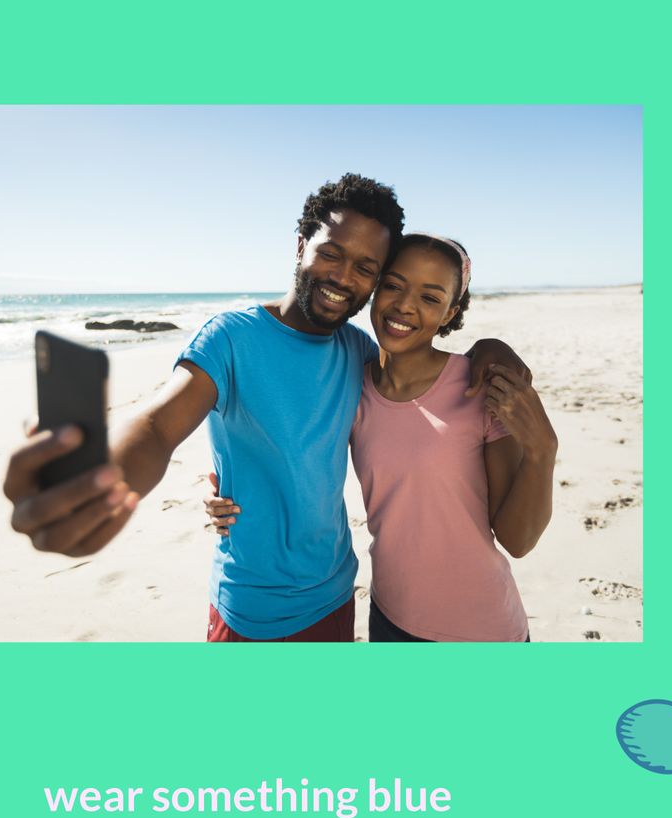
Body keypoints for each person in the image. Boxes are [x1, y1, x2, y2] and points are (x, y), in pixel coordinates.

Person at [3, 176, 530, 642]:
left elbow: (419, 391)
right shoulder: (231, 338)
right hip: (252, 610)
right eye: (331, 253)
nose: (344, 277)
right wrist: (106, 482)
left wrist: (489, 349)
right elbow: (160, 426)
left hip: (336, 594)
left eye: (366, 267)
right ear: (300, 244)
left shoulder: (359, 352)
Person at [209, 233, 557, 641]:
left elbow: (517, 540)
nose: (405, 305)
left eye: (430, 298)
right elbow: (288, 449)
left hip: (482, 629)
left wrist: (542, 452)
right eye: (393, 285)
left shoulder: (481, 386)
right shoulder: (351, 384)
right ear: (375, 289)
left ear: (451, 312)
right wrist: (228, 493)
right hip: (389, 618)